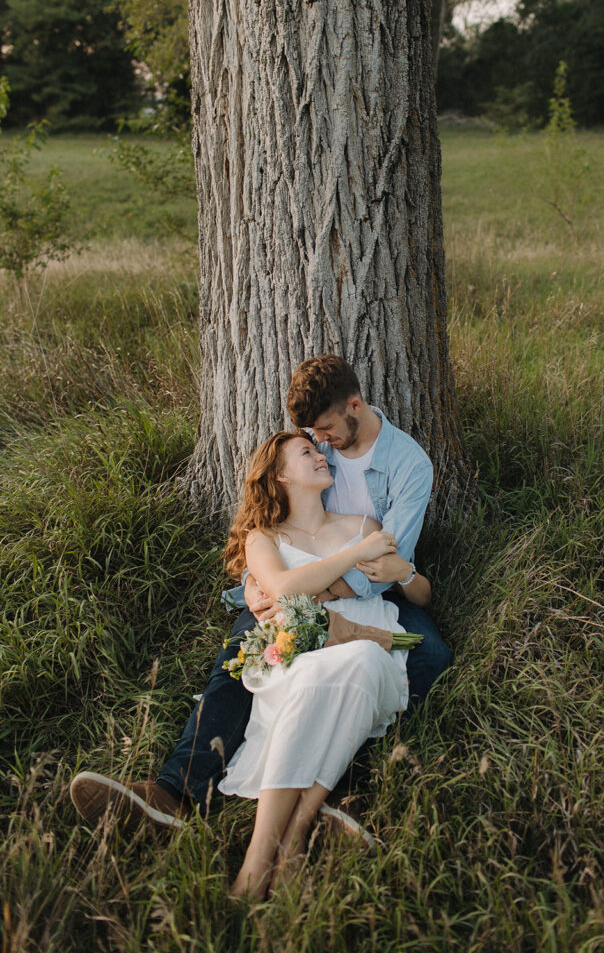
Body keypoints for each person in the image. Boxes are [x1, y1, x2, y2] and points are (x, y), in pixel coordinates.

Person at [69, 355, 451, 830]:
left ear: (355, 405)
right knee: (247, 652)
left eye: (327, 430)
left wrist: (318, 595)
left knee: (429, 656)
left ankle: (341, 785)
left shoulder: (409, 464)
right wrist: (261, 581)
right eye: (314, 436)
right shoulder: (314, 442)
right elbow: (280, 520)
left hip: (371, 589)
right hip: (298, 579)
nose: (321, 443)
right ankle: (175, 790)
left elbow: (388, 560)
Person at [219, 429, 431, 896]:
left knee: (362, 659)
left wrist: (406, 572)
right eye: (307, 452)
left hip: (373, 648)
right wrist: (354, 556)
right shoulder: (264, 538)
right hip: (303, 651)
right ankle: (261, 860)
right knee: (316, 673)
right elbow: (285, 591)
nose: (321, 456)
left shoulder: (364, 525)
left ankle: (293, 836)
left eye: (318, 449)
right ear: (278, 475)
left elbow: (420, 592)